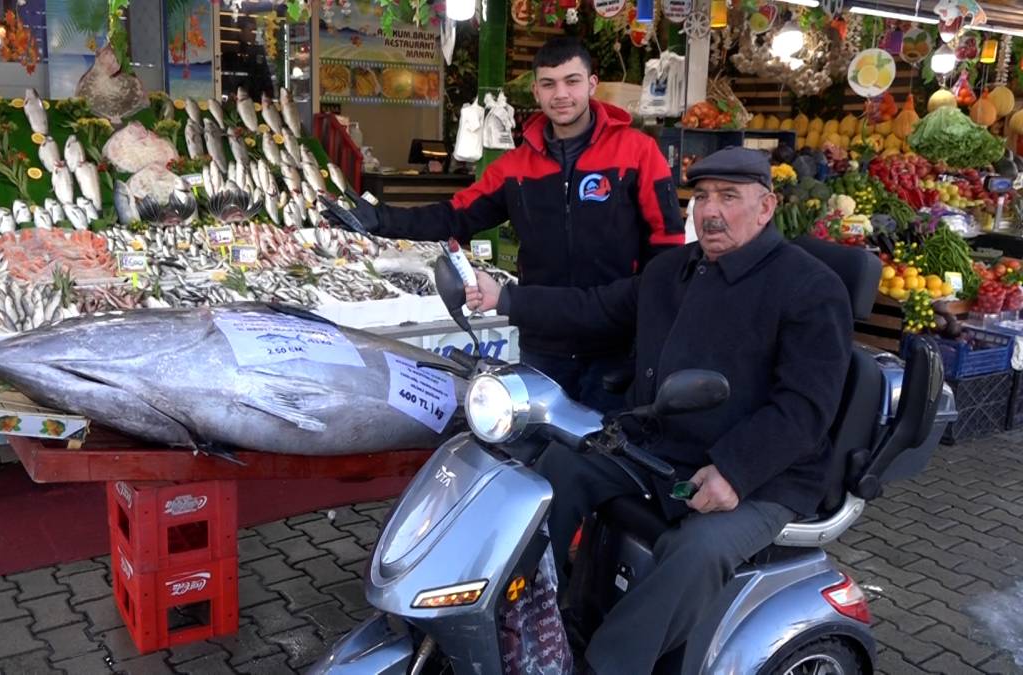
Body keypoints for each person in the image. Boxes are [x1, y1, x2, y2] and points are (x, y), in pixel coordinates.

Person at [463, 147, 854, 673]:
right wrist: (507, 299)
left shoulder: (809, 288)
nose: (710, 211)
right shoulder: (673, 269)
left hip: (763, 473)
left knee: (696, 553)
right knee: (559, 469)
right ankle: (526, 618)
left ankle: (608, 664)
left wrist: (736, 469)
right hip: (660, 444)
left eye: (729, 197)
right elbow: (597, 307)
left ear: (766, 208)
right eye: (702, 197)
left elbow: (806, 408)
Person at [327, 36, 684, 409]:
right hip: (544, 345)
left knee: (611, 460)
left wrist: (652, 328)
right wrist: (379, 218)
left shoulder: (638, 152)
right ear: (535, 90)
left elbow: (668, 246)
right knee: (539, 454)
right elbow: (454, 216)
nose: (561, 94)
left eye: (572, 81)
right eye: (549, 84)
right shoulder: (515, 168)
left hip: (617, 346)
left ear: (592, 84)